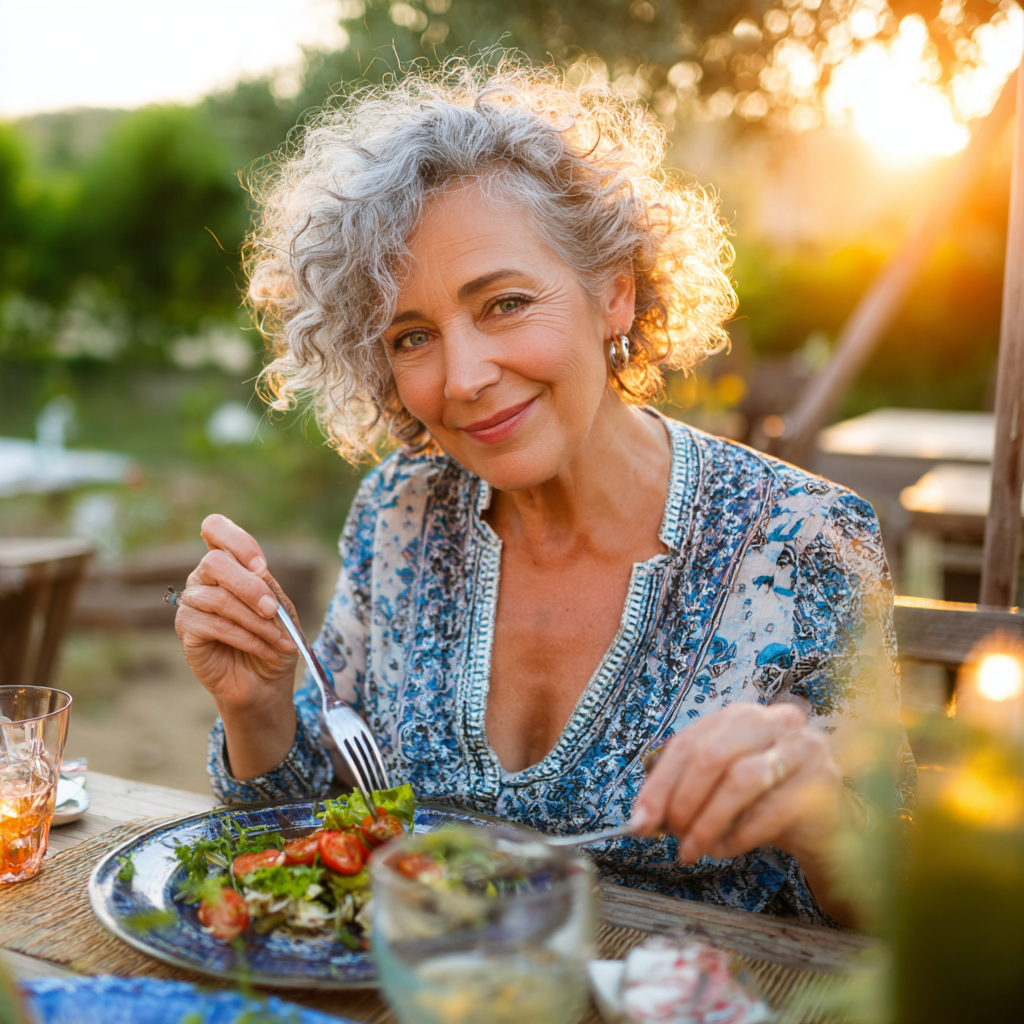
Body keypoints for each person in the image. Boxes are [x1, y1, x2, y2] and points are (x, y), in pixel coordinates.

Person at [173, 63, 915, 927]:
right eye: (412, 337)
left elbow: (898, 920)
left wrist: (826, 821)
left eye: (506, 303)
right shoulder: (401, 511)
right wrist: (255, 706)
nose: (465, 377)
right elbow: (302, 833)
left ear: (615, 295)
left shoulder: (806, 539)